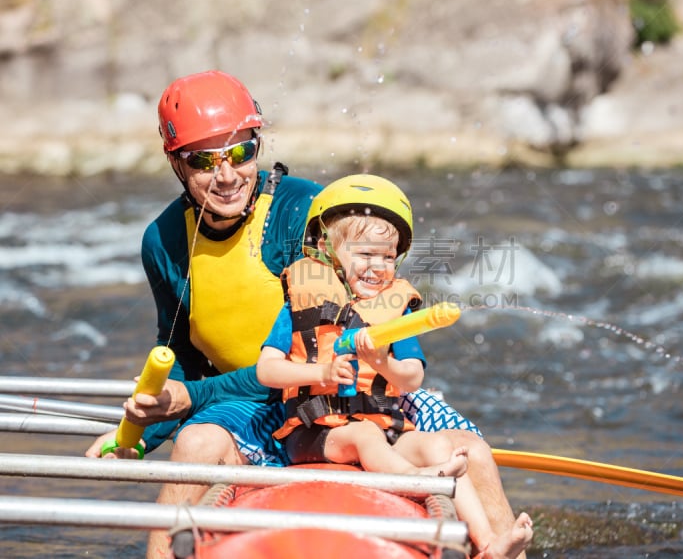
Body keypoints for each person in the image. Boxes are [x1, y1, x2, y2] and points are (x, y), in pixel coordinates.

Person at [83, 70, 520, 558]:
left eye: (241, 152)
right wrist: (141, 436)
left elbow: (354, 314)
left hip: (343, 386)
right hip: (252, 400)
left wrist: (194, 396)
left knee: (474, 454)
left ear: (258, 142)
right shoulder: (162, 241)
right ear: (175, 164)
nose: (227, 176)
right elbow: (182, 356)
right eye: (203, 160)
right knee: (195, 446)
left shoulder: (306, 213)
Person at [256, 173, 533, 558]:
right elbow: (267, 370)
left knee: (439, 446)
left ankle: (488, 544)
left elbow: (412, 377)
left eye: (388, 257)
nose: (378, 267)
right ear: (327, 250)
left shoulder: (392, 311)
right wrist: (318, 373)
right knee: (364, 438)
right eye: (365, 255)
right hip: (314, 435)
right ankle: (414, 481)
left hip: (382, 428)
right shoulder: (298, 304)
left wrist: (382, 362)